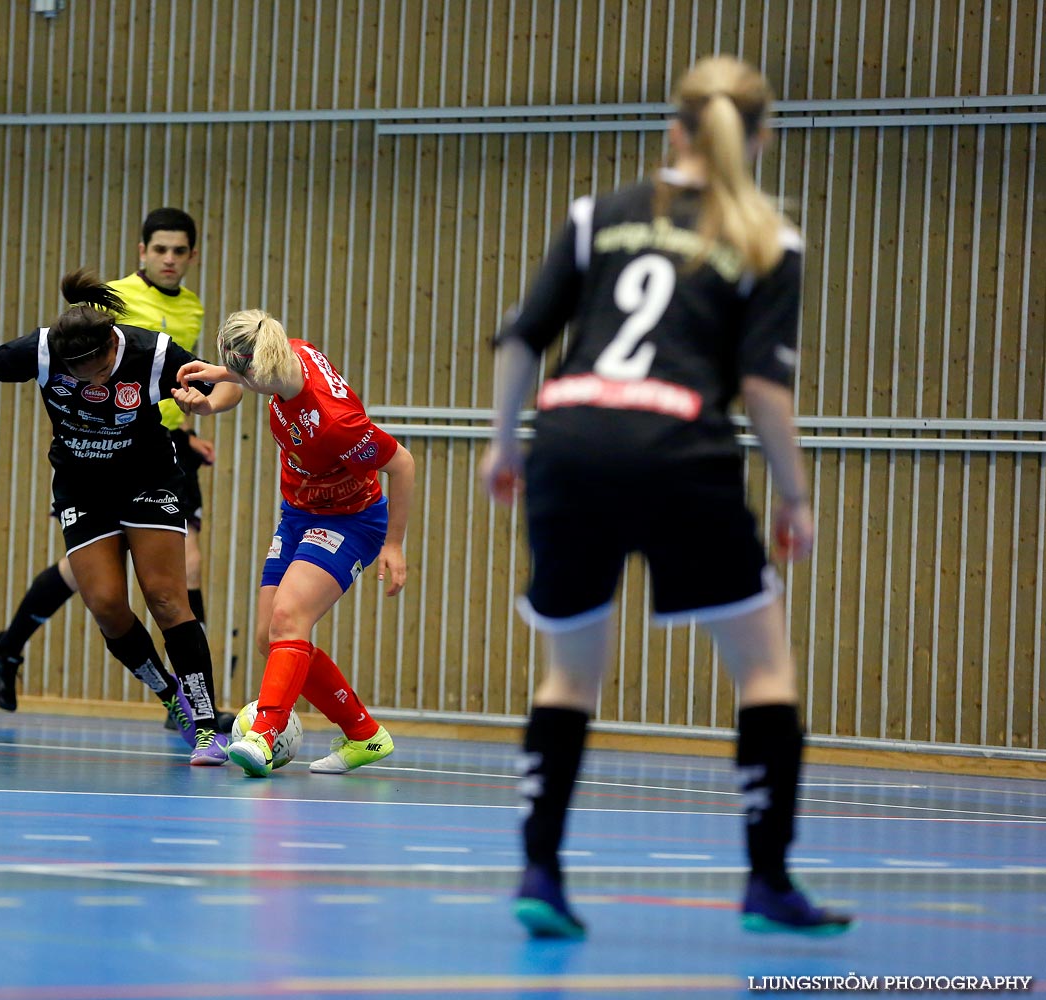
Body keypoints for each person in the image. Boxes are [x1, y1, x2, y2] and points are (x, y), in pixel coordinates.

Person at [478, 55, 853, 938]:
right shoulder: (769, 241)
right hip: (680, 447)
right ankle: (768, 882)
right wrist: (795, 497)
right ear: (759, 139)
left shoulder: (594, 216)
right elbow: (764, 391)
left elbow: (523, 341)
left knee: (570, 672)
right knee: (763, 666)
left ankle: (541, 868)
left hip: (569, 443)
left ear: (673, 130)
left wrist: (503, 445)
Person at [0, 270, 243, 764]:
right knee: (108, 606)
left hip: (147, 478)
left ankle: (204, 725)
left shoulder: (150, 353)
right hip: (83, 486)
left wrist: (207, 404)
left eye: (95, 374)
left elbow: (228, 385)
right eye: (76, 377)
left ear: (112, 351)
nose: (87, 384)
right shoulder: (42, 350)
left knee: (165, 597)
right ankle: (168, 696)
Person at [0, 208, 234, 733]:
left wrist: (189, 424)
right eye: (160, 249)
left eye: (179, 251)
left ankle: (190, 702)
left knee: (177, 574)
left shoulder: (191, 309)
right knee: (100, 586)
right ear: (142, 251)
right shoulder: (107, 303)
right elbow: (84, 371)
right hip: (92, 458)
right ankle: (8, 644)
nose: (169, 259)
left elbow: (180, 379)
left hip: (155, 450)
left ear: (192, 257)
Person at [173, 310, 416, 778]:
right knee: (272, 636)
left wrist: (395, 545)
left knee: (290, 618)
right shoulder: (287, 351)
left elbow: (401, 464)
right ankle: (364, 735)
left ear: (262, 369)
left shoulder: (334, 422)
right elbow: (244, 382)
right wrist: (212, 396)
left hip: (352, 521)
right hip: (299, 513)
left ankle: (263, 736)